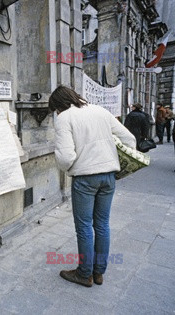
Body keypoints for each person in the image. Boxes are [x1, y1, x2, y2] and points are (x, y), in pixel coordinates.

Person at [49, 85, 136, 287]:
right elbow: (129, 140)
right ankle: (98, 273)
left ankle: (84, 273)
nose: (56, 113)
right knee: (102, 224)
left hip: (85, 178)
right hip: (108, 176)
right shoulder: (100, 111)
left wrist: (67, 165)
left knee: (84, 228)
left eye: (55, 109)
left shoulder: (64, 118)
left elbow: (65, 157)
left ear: (58, 105)